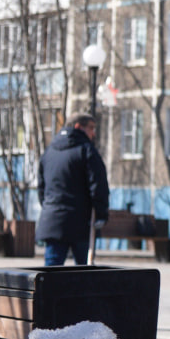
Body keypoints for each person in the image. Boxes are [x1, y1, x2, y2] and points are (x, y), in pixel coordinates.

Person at [36, 114, 110, 266]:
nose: (93, 133)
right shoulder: (87, 151)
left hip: (53, 221)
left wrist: (49, 208)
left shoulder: (49, 151)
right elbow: (98, 187)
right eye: (91, 128)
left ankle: (51, 291)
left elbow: (41, 188)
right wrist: (101, 214)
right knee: (83, 273)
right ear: (78, 127)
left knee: (50, 273)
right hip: (81, 222)